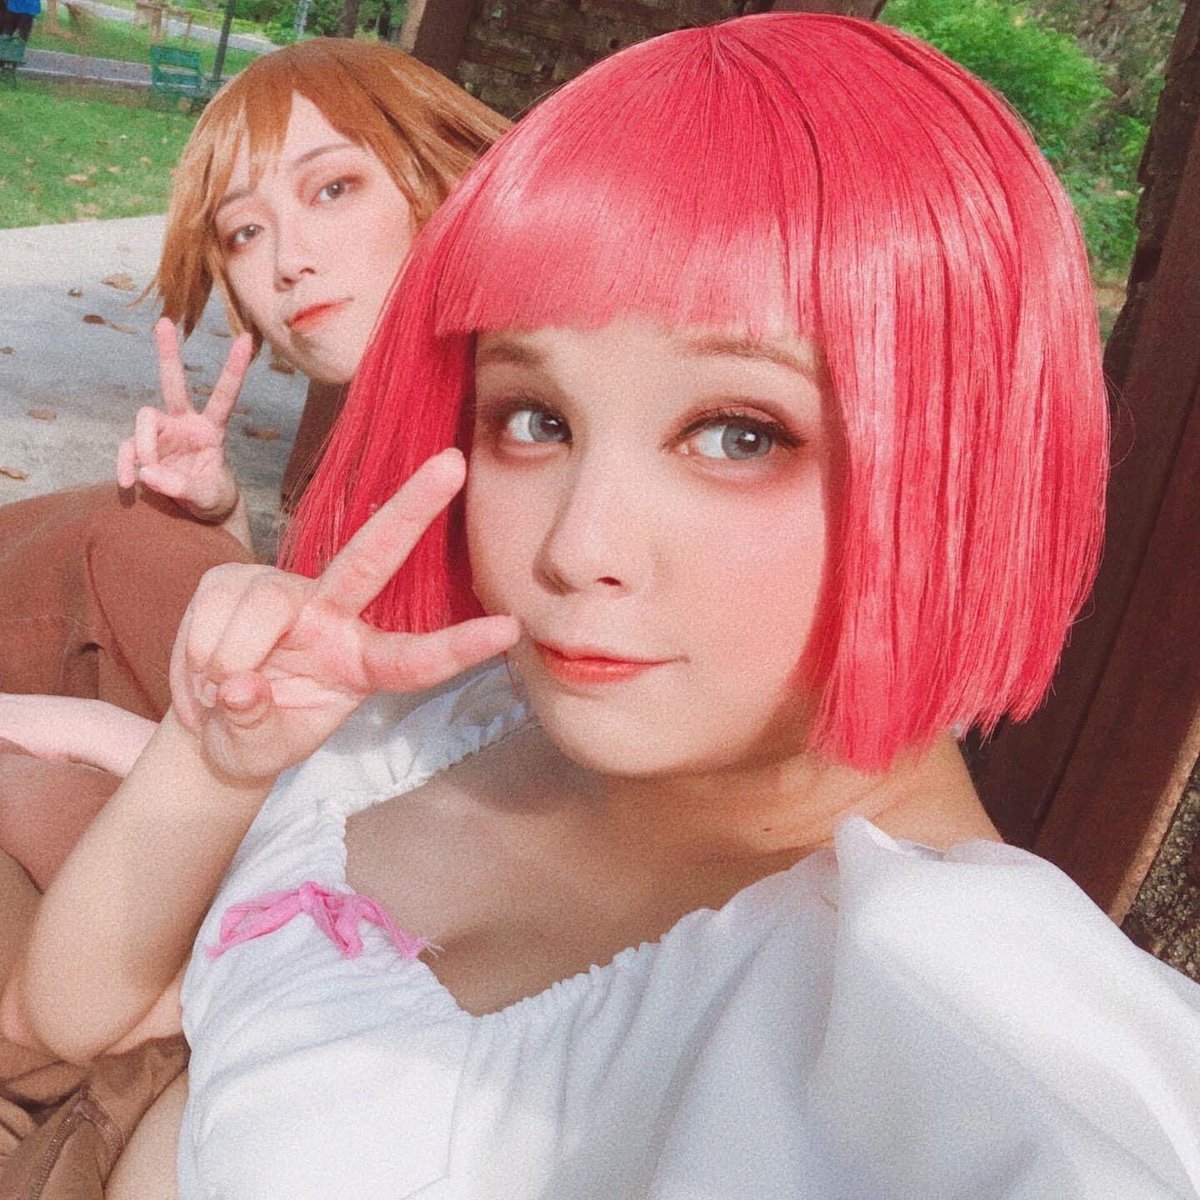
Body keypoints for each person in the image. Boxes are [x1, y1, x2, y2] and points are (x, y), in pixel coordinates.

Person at [8, 13, 1200, 1198]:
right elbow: (80, 1008)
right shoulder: (460, 713)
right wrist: (209, 763)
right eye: (537, 420)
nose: (577, 550)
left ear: (969, 462)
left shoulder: (951, 1020)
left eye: (739, 435)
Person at [0, 37, 506, 1198]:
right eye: (243, 231)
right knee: (119, 534)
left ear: (446, 172)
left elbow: (376, 803)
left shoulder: (517, 448)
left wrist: (92, 734)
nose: (286, 259)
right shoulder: (374, 423)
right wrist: (219, 514)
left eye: (334, 188)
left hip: (351, 904)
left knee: (32, 772)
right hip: (286, 800)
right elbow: (315, 693)